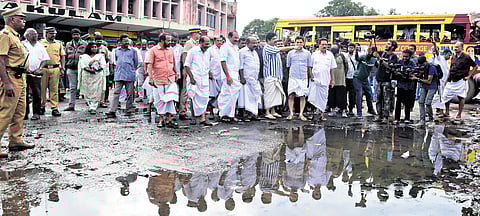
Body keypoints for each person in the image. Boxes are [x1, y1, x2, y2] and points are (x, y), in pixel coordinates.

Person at [0, 7, 34, 158]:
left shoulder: (15, 36)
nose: (24, 21)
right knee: (5, 113)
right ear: (12, 19)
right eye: (21, 18)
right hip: (10, 77)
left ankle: (15, 140)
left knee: (20, 112)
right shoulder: (5, 35)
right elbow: (0, 60)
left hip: (20, 77)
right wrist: (6, 83)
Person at [145, 33, 179, 128]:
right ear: (162, 41)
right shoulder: (153, 50)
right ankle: (161, 119)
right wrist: (151, 78)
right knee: (159, 100)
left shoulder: (171, 50)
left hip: (170, 79)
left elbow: (174, 63)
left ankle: (169, 120)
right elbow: (149, 65)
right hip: (158, 80)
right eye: (168, 40)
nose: (170, 42)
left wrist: (176, 73)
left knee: (170, 99)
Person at [442, 42, 478, 120]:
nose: (455, 48)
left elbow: (475, 66)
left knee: (461, 97)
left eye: (457, 47)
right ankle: (447, 112)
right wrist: (447, 80)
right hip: (451, 80)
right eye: (455, 47)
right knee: (445, 95)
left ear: (462, 48)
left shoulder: (466, 57)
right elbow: (451, 69)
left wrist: (469, 76)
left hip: (461, 80)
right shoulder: (453, 57)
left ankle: (459, 114)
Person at [262, 32, 294, 120]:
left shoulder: (274, 47)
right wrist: (294, 47)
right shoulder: (267, 48)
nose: (275, 40)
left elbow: (280, 47)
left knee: (275, 95)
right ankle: (267, 112)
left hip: (277, 76)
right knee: (269, 94)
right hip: (270, 75)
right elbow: (281, 49)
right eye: (273, 39)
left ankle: (273, 111)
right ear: (268, 40)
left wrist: (288, 38)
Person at [105, 38, 139, 118]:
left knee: (130, 94)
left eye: (128, 41)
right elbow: (114, 62)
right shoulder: (116, 51)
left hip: (130, 74)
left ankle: (129, 110)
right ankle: (113, 111)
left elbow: (136, 62)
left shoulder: (133, 51)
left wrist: (131, 69)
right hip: (119, 74)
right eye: (124, 41)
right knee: (116, 93)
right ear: (120, 42)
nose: (126, 42)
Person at [184, 36, 214, 126]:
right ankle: (194, 118)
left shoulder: (208, 51)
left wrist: (209, 72)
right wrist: (192, 78)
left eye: (209, 44)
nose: (207, 46)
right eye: (206, 44)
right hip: (195, 79)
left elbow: (207, 64)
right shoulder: (193, 51)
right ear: (200, 42)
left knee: (204, 99)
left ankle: (203, 118)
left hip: (204, 79)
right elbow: (186, 65)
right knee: (194, 98)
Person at [22, 28, 50, 121]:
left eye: (36, 34)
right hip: (25, 73)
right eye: (32, 34)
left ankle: (36, 113)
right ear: (27, 36)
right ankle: (24, 113)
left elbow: (45, 59)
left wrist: (40, 68)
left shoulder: (40, 46)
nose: (35, 35)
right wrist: (26, 68)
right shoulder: (22, 44)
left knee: (37, 93)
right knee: (24, 94)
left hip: (36, 73)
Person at [308, 38, 337, 122]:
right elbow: (310, 66)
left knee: (323, 98)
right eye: (323, 44)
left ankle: (321, 114)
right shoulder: (314, 54)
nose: (324, 46)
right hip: (315, 80)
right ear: (319, 45)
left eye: (326, 44)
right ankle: (312, 114)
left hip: (325, 80)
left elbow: (332, 68)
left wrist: (333, 80)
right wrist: (311, 76)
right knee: (313, 97)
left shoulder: (330, 55)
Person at [40, 27, 66, 117]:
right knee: (42, 89)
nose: (53, 35)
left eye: (54, 33)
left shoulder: (59, 44)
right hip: (43, 69)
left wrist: (62, 68)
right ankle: (42, 106)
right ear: (46, 33)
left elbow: (62, 56)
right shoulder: (40, 43)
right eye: (51, 33)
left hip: (55, 68)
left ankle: (54, 108)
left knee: (54, 89)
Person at [285, 36, 312, 121]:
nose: (299, 44)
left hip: (303, 77)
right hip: (293, 77)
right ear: (295, 43)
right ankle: (291, 114)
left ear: (303, 43)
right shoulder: (290, 53)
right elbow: (288, 65)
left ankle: (301, 114)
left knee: (302, 96)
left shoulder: (307, 53)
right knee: (291, 95)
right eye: (297, 42)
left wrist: (310, 76)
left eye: (301, 42)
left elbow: (309, 66)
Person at [217, 31, 241, 123]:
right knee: (226, 95)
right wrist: (228, 76)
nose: (237, 39)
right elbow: (222, 61)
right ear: (230, 37)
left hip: (235, 74)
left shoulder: (235, 47)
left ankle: (231, 115)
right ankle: (223, 115)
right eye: (235, 38)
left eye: (237, 37)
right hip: (228, 75)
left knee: (233, 96)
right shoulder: (225, 47)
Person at [77, 42, 107, 114]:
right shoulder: (83, 56)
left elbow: (103, 65)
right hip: (87, 76)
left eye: (95, 47)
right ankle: (90, 104)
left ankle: (94, 106)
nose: (94, 48)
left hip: (97, 76)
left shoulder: (100, 56)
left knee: (97, 91)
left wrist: (97, 69)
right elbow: (83, 66)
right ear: (89, 48)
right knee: (87, 91)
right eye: (92, 47)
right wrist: (90, 70)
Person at [373, 39, 399, 123]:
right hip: (379, 79)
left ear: (393, 47)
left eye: (388, 44)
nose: (386, 45)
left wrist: (380, 59)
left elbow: (390, 67)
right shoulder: (383, 54)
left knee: (387, 99)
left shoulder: (393, 57)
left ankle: (386, 116)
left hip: (387, 80)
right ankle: (379, 114)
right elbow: (377, 65)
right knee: (378, 98)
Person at [238, 36, 262, 121]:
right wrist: (242, 78)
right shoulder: (242, 52)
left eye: (256, 43)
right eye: (253, 43)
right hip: (246, 79)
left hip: (254, 79)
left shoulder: (255, 52)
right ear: (247, 43)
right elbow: (240, 66)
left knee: (254, 96)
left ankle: (253, 114)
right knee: (246, 98)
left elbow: (256, 66)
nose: (255, 45)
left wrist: (257, 77)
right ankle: (245, 115)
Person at [180, 28, 201, 121]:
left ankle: (194, 112)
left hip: (195, 71)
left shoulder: (196, 43)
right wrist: (185, 70)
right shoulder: (189, 43)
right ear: (194, 34)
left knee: (194, 92)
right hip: (188, 70)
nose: (199, 35)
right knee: (185, 91)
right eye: (198, 33)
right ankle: (182, 111)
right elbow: (185, 56)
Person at [64, 28, 87, 111]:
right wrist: (64, 66)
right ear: (72, 35)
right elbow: (65, 56)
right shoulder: (68, 44)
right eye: (74, 34)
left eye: (77, 34)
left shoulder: (85, 44)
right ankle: (71, 105)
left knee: (85, 86)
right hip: (71, 68)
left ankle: (91, 104)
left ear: (80, 35)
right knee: (72, 88)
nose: (76, 36)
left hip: (82, 69)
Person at [412, 56, 438, 126]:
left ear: (425, 62)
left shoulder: (432, 68)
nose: (421, 66)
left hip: (432, 86)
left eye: (422, 65)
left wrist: (417, 79)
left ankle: (431, 120)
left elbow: (429, 81)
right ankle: (422, 120)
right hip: (424, 86)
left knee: (428, 103)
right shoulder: (421, 67)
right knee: (421, 102)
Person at [393, 49, 417, 124]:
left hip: (408, 85)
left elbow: (415, 71)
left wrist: (410, 73)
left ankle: (407, 118)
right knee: (398, 102)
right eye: (403, 56)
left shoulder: (412, 63)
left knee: (407, 102)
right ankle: (397, 118)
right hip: (400, 84)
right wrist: (398, 73)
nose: (405, 58)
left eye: (406, 57)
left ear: (410, 56)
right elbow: (395, 70)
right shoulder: (399, 62)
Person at [353, 46, 377, 117]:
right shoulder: (363, 57)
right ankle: (359, 112)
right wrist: (356, 52)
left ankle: (370, 109)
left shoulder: (374, 59)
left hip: (365, 79)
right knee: (359, 95)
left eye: (371, 51)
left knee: (369, 94)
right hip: (357, 78)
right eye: (368, 51)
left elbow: (378, 65)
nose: (369, 52)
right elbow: (357, 58)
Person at [327, 44, 349, 118]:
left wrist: (343, 74)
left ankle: (343, 111)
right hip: (331, 80)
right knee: (332, 96)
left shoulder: (342, 56)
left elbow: (346, 67)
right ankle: (333, 110)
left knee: (342, 97)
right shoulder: (329, 57)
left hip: (341, 80)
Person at [207, 35, 224, 118]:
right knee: (212, 94)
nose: (220, 42)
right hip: (213, 75)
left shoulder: (224, 49)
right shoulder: (210, 50)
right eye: (218, 41)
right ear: (214, 41)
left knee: (221, 93)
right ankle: (211, 112)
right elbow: (207, 62)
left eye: (221, 41)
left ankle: (220, 111)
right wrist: (209, 72)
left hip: (222, 75)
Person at [430, 48, 451, 113]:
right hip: (440, 82)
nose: (449, 57)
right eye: (449, 55)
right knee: (440, 97)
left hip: (446, 83)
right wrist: (434, 44)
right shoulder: (440, 58)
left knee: (447, 97)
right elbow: (437, 52)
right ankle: (440, 111)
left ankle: (447, 111)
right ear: (445, 54)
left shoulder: (447, 62)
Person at [344, 43, 357, 116]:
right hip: (345, 77)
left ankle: (351, 108)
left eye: (352, 48)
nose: (350, 49)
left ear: (354, 48)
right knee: (344, 94)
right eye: (349, 47)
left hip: (353, 78)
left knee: (352, 95)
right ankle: (344, 107)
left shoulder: (357, 56)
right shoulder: (344, 56)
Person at [135, 39, 149, 103]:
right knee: (140, 83)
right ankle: (140, 96)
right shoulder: (138, 51)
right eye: (142, 44)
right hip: (140, 69)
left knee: (147, 83)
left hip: (148, 69)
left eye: (145, 44)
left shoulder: (149, 51)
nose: (144, 45)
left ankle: (147, 95)